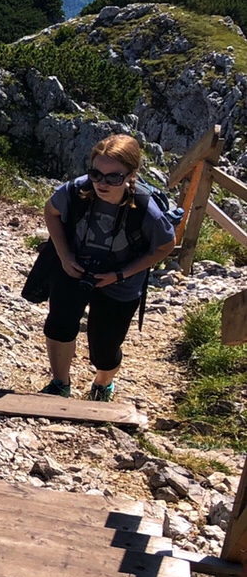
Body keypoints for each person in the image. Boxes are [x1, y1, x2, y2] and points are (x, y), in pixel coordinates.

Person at [39, 134, 176, 401]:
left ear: (131, 175)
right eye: (96, 174)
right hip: (75, 267)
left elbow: (166, 245)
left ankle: (103, 384)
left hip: (121, 281)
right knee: (59, 324)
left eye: (113, 177)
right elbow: (50, 211)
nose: (102, 183)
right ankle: (60, 384)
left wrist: (120, 274)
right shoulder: (76, 191)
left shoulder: (146, 210)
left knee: (104, 348)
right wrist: (65, 256)